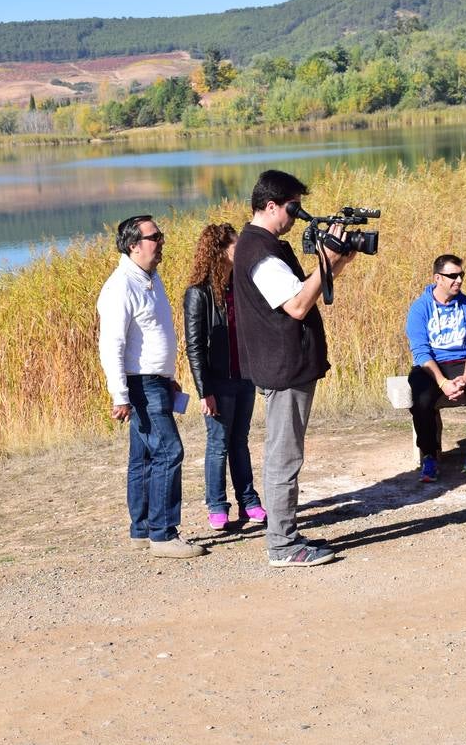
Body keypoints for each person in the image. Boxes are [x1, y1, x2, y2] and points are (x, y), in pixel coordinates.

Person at [231, 169, 355, 567]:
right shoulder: (259, 252)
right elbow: (298, 306)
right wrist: (329, 258)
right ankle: (282, 546)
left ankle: (285, 534)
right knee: (284, 457)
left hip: (286, 365)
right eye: (293, 207)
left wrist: (337, 260)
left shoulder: (265, 245)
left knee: (285, 454)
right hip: (283, 368)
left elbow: (303, 288)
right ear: (271, 206)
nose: (297, 215)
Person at [96, 215, 207, 558]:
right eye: (154, 237)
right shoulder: (121, 286)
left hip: (153, 380)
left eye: (161, 235)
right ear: (134, 245)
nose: (161, 242)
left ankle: (143, 529)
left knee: (144, 457)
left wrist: (166, 373)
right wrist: (120, 394)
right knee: (169, 452)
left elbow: (150, 335)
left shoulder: (148, 278)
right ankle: (163, 533)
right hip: (139, 384)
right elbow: (111, 344)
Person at [183, 222, 265, 531]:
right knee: (218, 444)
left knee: (240, 442)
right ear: (220, 251)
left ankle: (249, 502)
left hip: (244, 378)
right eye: (235, 246)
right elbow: (194, 346)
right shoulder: (198, 293)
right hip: (217, 382)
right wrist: (204, 391)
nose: (241, 250)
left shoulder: (242, 288)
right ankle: (217, 506)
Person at [405, 255, 466, 482]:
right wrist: (442, 382)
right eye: (453, 276)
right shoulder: (419, 309)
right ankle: (430, 455)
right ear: (438, 278)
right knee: (421, 401)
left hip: (464, 363)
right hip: (431, 366)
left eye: (461, 275)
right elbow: (421, 351)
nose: (459, 280)